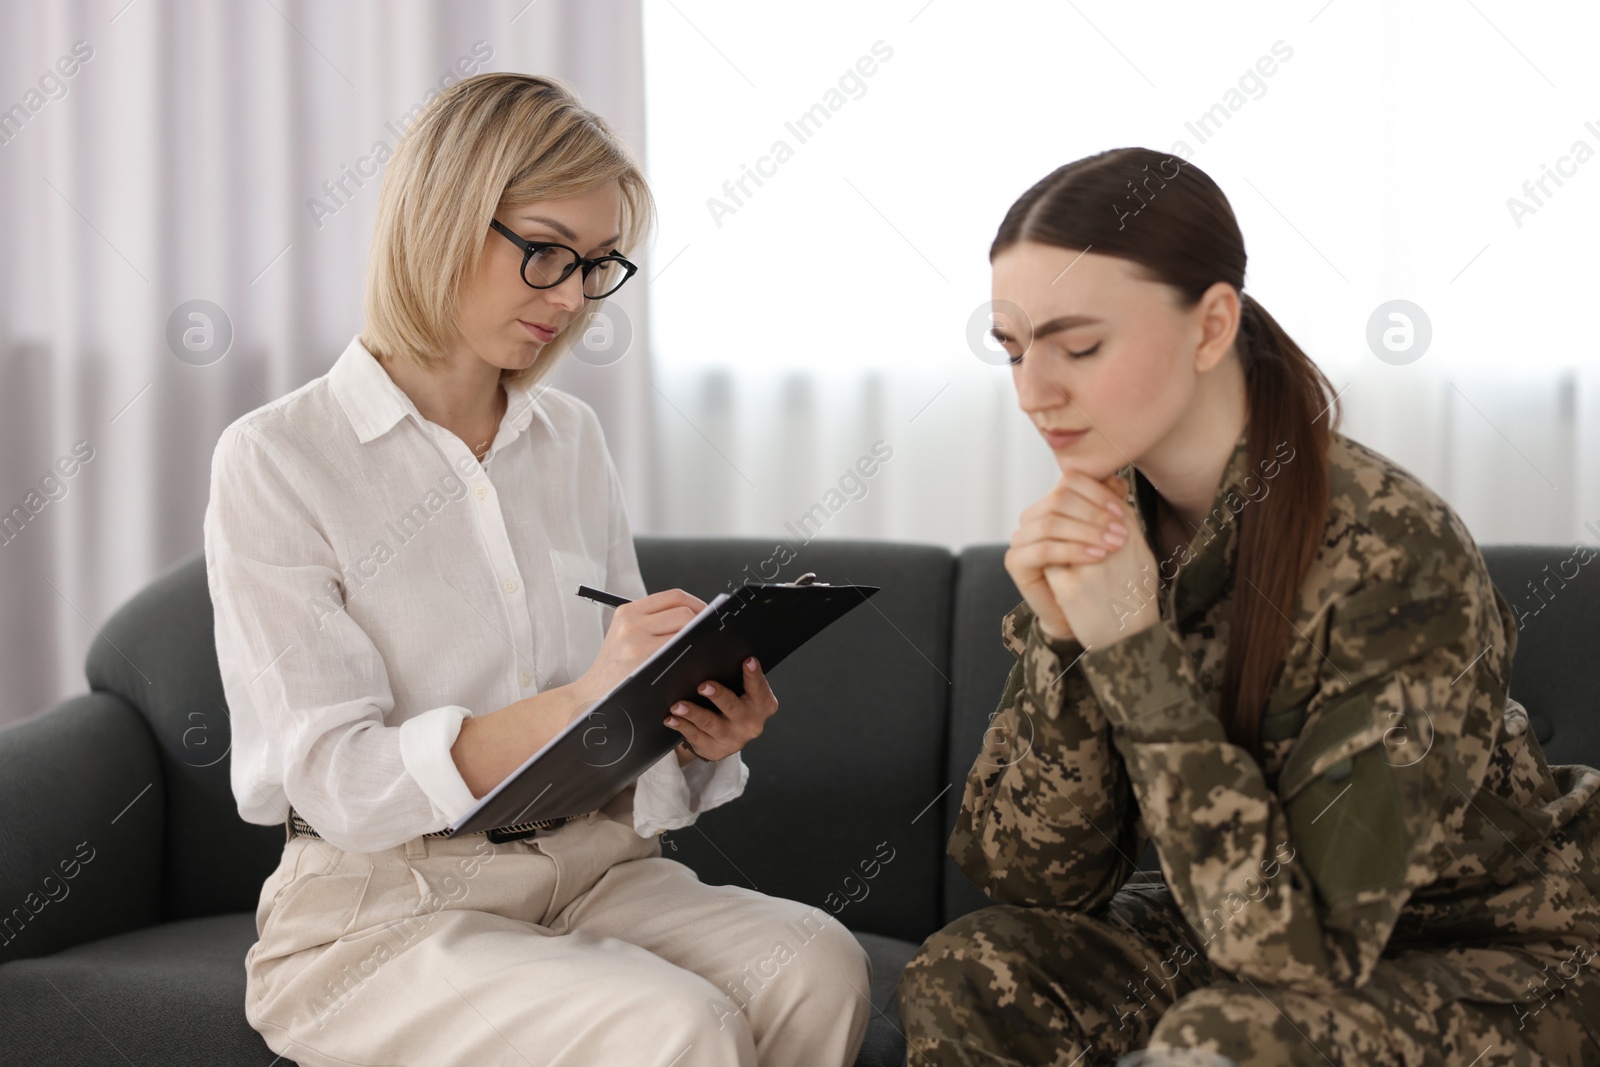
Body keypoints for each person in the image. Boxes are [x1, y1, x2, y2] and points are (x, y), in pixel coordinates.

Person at [204, 72, 871, 1067]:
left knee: (816, 960)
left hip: (590, 864)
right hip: (385, 911)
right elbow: (337, 778)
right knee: (672, 1023)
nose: (571, 298)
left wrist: (691, 728)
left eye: (597, 265)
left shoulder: (569, 440)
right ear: (442, 217)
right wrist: (580, 697)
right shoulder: (279, 458)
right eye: (546, 253)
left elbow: (612, 729)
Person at [896, 147, 1600, 1067]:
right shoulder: (1116, 531)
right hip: (1252, 939)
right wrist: (1068, 647)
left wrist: (1137, 654)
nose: (1034, 391)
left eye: (1080, 345)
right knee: (975, 972)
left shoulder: (1395, 553)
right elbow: (1031, 878)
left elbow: (1304, 947)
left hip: (1501, 953)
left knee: (1223, 1042)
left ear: (1211, 324)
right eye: (1013, 350)